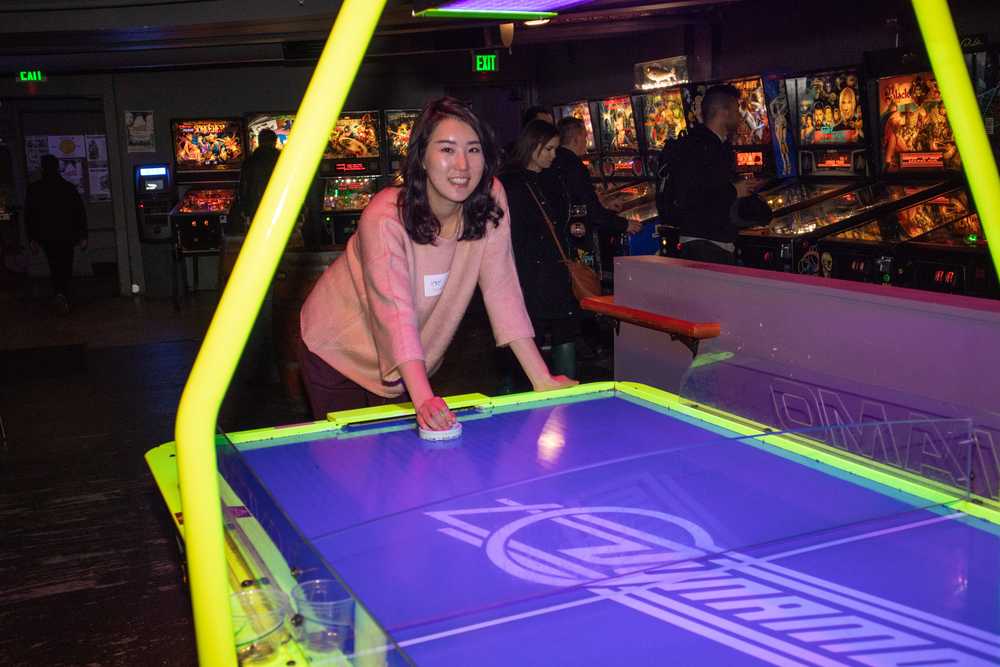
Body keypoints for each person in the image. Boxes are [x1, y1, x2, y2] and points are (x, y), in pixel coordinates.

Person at [299, 98, 576, 429]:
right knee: (354, 468)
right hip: (338, 350)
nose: (462, 164)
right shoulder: (386, 217)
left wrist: (541, 378)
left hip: (403, 363)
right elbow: (395, 312)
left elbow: (502, 288)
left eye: (473, 150)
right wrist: (424, 398)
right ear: (422, 158)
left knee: (400, 464)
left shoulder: (490, 199)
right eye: (447, 149)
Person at [499, 120, 580, 381]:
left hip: (548, 269)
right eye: (549, 149)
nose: (553, 155)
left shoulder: (546, 178)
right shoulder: (510, 184)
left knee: (561, 329)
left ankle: (563, 389)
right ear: (533, 146)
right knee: (530, 331)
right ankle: (528, 390)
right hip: (530, 272)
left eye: (555, 149)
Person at [659, 84, 772, 264]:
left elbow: (712, 188)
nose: (740, 116)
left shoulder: (714, 145)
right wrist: (735, 191)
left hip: (711, 243)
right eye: (736, 110)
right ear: (723, 112)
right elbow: (692, 196)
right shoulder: (699, 147)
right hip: (705, 245)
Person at [551, 116, 642, 240]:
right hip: (577, 235)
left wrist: (604, 205)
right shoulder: (575, 166)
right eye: (584, 136)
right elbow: (591, 211)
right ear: (575, 140)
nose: (586, 141)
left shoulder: (554, 161)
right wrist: (625, 224)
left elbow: (579, 203)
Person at [25, 155, 87, 312]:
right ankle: (63, 293)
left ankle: (59, 293)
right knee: (65, 264)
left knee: (54, 264)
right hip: (67, 234)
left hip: (46, 235)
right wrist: (82, 235)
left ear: (42, 168)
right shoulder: (68, 188)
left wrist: (32, 237)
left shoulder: (34, 189)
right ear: (58, 167)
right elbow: (79, 213)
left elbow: (30, 215)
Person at [233, 128, 280, 232]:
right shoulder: (282, 159)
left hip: (255, 204)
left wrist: (244, 208)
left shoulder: (250, 161)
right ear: (274, 141)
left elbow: (243, 187)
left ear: (260, 141)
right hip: (279, 203)